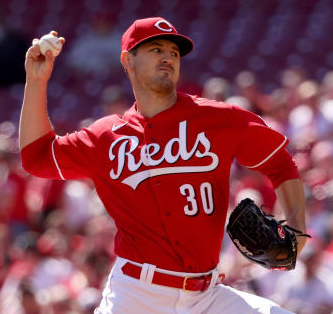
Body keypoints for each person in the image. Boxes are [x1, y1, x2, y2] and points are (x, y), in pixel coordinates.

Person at [19, 17, 308, 314]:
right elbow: (37, 156)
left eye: (173, 52)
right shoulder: (106, 138)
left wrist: (297, 227)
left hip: (206, 296)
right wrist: (36, 81)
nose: (168, 57)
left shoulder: (220, 119)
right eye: (156, 49)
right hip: (135, 297)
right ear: (127, 60)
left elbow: (281, 164)